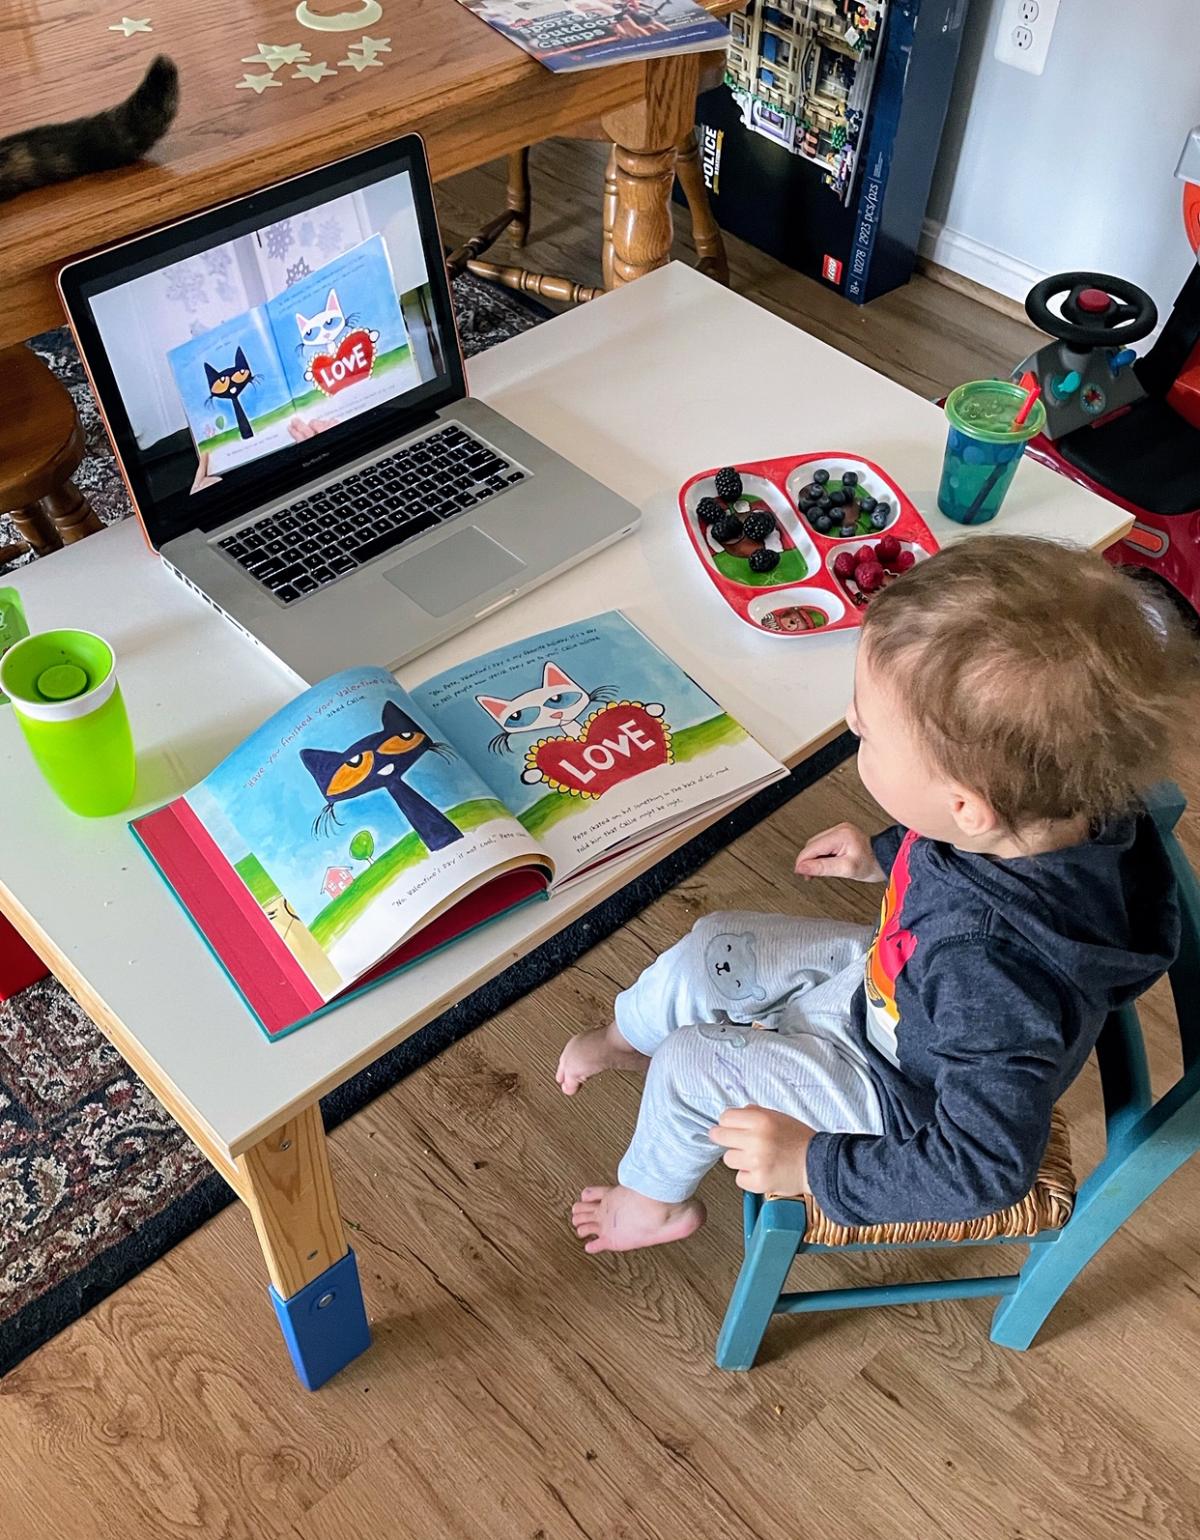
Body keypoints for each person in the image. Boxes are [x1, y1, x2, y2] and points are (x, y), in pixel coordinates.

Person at [559, 536, 1191, 1253]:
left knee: (692, 1060)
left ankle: (650, 1203)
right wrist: (884, 854)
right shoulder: (1064, 806)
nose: (851, 726)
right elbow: (950, 849)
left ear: (965, 808)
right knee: (719, 945)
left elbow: (986, 1168)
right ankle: (625, 1039)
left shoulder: (991, 978)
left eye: (866, 732)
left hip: (900, 1097)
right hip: (900, 991)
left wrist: (811, 1163)